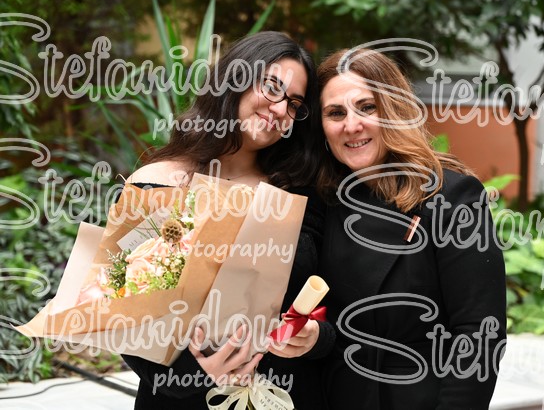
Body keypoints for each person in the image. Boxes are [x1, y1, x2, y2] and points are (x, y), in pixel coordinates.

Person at [121, 31, 334, 410]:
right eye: (272, 87)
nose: (280, 109)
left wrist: (317, 336)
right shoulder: (156, 183)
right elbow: (120, 316)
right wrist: (191, 373)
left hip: (285, 396)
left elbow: (337, 300)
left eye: (294, 104)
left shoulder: (301, 192)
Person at [314, 48, 507, 409]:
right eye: (335, 113)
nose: (351, 125)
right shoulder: (324, 201)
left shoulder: (451, 198)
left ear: (394, 111)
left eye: (367, 107)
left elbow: (479, 334)